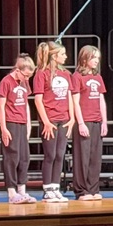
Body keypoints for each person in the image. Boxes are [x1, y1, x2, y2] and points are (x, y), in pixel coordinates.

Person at [34, 41, 73, 202]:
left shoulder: (65, 74)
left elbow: (69, 96)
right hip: (49, 119)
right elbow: (38, 99)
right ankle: (47, 189)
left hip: (64, 119)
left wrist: (72, 119)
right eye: (63, 54)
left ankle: (56, 187)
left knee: (60, 154)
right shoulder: (41, 74)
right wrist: (46, 121)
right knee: (50, 154)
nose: (66, 56)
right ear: (54, 56)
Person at [0, 53, 37, 205]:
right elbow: (1, 105)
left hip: (22, 122)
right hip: (11, 122)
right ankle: (12, 192)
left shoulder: (24, 83)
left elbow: (26, 104)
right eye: (26, 75)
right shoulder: (6, 81)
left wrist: (29, 123)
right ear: (18, 70)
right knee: (11, 158)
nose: (27, 79)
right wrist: (3, 128)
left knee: (24, 157)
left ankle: (22, 190)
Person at [71, 44, 108, 201]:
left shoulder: (98, 77)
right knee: (82, 157)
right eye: (93, 58)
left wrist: (104, 122)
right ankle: (81, 191)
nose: (96, 61)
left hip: (96, 121)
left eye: (98, 58)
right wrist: (80, 123)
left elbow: (101, 101)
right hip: (84, 121)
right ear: (85, 58)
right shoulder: (77, 77)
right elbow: (75, 102)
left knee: (95, 157)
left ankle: (93, 189)